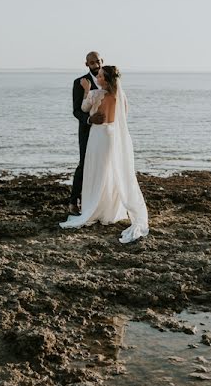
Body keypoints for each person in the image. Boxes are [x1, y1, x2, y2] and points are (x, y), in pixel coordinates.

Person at [61, 65, 149, 244]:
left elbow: (84, 108)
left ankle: (93, 208)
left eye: (100, 76)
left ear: (105, 80)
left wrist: (86, 90)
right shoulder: (121, 96)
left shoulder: (95, 94)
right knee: (110, 171)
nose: (97, 77)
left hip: (98, 136)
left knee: (95, 171)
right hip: (112, 135)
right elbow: (123, 115)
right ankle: (110, 210)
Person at [69, 51, 105, 215]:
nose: (95, 65)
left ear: (101, 61)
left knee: (103, 165)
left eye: (97, 61)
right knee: (84, 165)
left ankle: (97, 202)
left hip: (105, 132)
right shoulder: (80, 82)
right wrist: (90, 120)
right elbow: (76, 111)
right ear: (86, 64)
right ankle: (73, 202)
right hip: (87, 131)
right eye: (92, 63)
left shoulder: (109, 81)